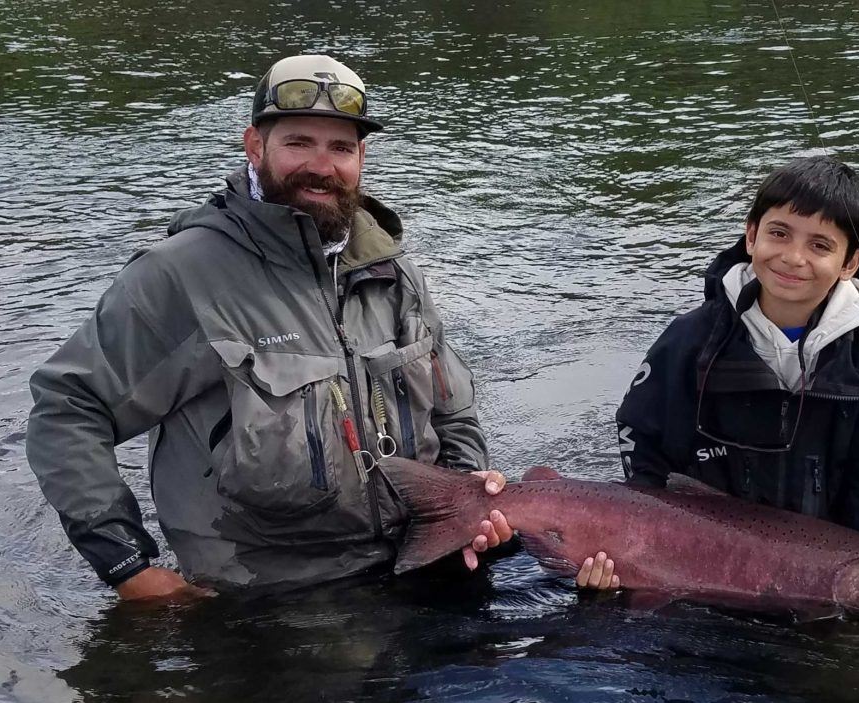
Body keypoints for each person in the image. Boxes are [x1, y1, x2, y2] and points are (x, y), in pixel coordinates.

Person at [26, 54, 512, 601]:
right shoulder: (180, 276)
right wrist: (128, 566)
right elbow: (68, 408)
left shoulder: (395, 273)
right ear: (254, 146)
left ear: (361, 158)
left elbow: (454, 414)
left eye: (341, 148)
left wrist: (469, 501)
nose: (321, 167)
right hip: (268, 600)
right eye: (299, 143)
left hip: (422, 564)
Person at [577, 156, 859, 590]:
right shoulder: (687, 344)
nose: (793, 257)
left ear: (850, 262)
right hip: (687, 568)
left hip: (820, 584)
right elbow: (643, 443)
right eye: (779, 233)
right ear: (751, 236)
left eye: (820, 245)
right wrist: (634, 547)